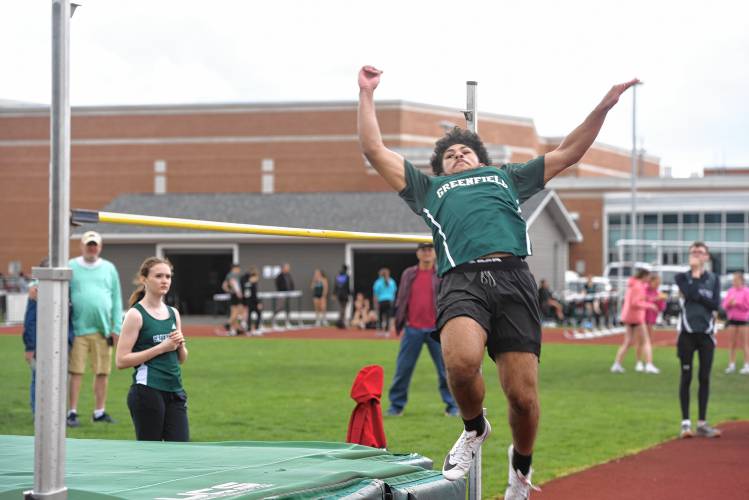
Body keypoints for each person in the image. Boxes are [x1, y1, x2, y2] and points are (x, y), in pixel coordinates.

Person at [358, 64, 638, 497]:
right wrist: (367, 94)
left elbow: (568, 152)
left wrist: (603, 106)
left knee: (523, 398)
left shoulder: (506, 177)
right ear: (440, 169)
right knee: (460, 363)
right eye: (448, 155)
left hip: (513, 280)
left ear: (481, 160)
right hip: (462, 279)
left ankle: (520, 468)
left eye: (464, 152)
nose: (456, 156)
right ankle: (474, 429)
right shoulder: (429, 189)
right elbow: (374, 148)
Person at [116, 257, 189, 441]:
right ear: (144, 279)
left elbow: (181, 359)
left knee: (181, 450)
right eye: (158, 276)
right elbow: (121, 360)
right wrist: (161, 348)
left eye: (168, 276)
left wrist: (180, 346)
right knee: (150, 453)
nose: (165, 281)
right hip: (147, 391)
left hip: (175, 390)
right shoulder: (135, 315)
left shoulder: (173, 313)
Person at [387, 242, 458, 417]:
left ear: (434, 253)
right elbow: (401, 299)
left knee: (444, 370)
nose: (426, 253)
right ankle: (396, 406)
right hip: (412, 329)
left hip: (436, 330)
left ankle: (452, 406)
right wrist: (397, 320)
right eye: (423, 250)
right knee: (403, 369)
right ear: (418, 253)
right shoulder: (408, 274)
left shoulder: (441, 273)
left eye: (429, 250)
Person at [67, 231, 123, 427]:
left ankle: (99, 411)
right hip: (77, 329)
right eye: (88, 244)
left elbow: (116, 300)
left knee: (102, 372)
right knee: (76, 371)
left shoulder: (109, 268)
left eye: (95, 245)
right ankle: (71, 412)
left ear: (100, 247)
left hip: (103, 331)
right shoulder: (70, 265)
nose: (91, 248)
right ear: (82, 246)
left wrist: (116, 328)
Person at [675, 241, 722, 439]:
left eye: (700, 252)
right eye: (693, 252)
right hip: (686, 334)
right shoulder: (681, 277)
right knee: (686, 377)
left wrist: (698, 296)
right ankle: (686, 424)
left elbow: (715, 304)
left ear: (706, 257)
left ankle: (702, 423)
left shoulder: (713, 279)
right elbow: (691, 293)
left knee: (704, 377)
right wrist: (694, 277)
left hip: (706, 335)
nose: (695, 255)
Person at [22, 259, 75, 415]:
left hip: (62, 344)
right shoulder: (36, 293)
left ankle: (57, 415)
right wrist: (30, 347)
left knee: (60, 380)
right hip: (41, 345)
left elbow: (69, 318)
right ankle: (38, 413)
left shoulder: (66, 291)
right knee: (39, 379)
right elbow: (30, 321)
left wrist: (70, 339)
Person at [610, 269, 659, 374]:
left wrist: (650, 299)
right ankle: (649, 364)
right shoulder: (638, 286)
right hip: (636, 317)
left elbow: (639, 298)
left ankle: (617, 364)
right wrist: (650, 306)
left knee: (627, 342)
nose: (649, 279)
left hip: (628, 316)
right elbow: (636, 303)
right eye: (648, 277)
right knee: (646, 341)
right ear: (644, 276)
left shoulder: (633, 285)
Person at [636, 273, 666, 372]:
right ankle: (639, 362)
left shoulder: (657, 292)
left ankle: (647, 362)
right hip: (642, 318)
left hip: (651, 319)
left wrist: (662, 300)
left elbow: (661, 308)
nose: (657, 285)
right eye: (656, 282)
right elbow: (643, 300)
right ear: (651, 281)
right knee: (640, 341)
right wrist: (655, 299)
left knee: (649, 341)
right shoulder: (644, 289)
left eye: (659, 283)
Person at [722, 271, 749, 374]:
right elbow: (724, 305)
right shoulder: (730, 291)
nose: (733, 281)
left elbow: (747, 306)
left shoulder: (746, 291)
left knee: (745, 344)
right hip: (732, 320)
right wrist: (729, 303)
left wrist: (737, 303)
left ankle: (747, 365)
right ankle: (731, 365)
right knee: (732, 343)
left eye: (735, 280)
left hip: (743, 320)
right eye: (733, 280)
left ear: (741, 280)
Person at [372, 268, 397, 333]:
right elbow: (394, 291)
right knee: (388, 315)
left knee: (380, 315)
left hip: (381, 300)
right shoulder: (392, 281)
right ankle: (387, 330)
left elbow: (375, 293)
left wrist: (375, 303)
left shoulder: (378, 282)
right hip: (390, 300)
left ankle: (380, 330)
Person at [222, 263, 244, 336]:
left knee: (235, 312)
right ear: (235, 268)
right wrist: (237, 292)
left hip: (233, 295)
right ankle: (228, 325)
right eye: (238, 269)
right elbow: (233, 283)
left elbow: (224, 285)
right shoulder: (233, 275)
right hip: (235, 295)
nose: (239, 270)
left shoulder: (228, 275)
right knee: (236, 312)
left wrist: (229, 291)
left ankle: (235, 329)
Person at [243, 266, 264, 335]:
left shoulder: (247, 283)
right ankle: (256, 329)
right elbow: (254, 294)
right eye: (257, 277)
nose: (257, 279)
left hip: (248, 301)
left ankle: (249, 330)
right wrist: (258, 302)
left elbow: (246, 294)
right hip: (253, 302)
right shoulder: (253, 284)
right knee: (259, 314)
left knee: (249, 315)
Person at [274, 263, 296, 329]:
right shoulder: (279, 276)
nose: (288, 269)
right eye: (287, 267)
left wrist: (291, 290)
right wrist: (283, 292)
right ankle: (274, 321)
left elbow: (291, 284)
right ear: (283, 268)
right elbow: (279, 285)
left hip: (288, 295)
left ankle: (287, 322)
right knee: (279, 308)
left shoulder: (288, 275)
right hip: (281, 295)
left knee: (287, 309)